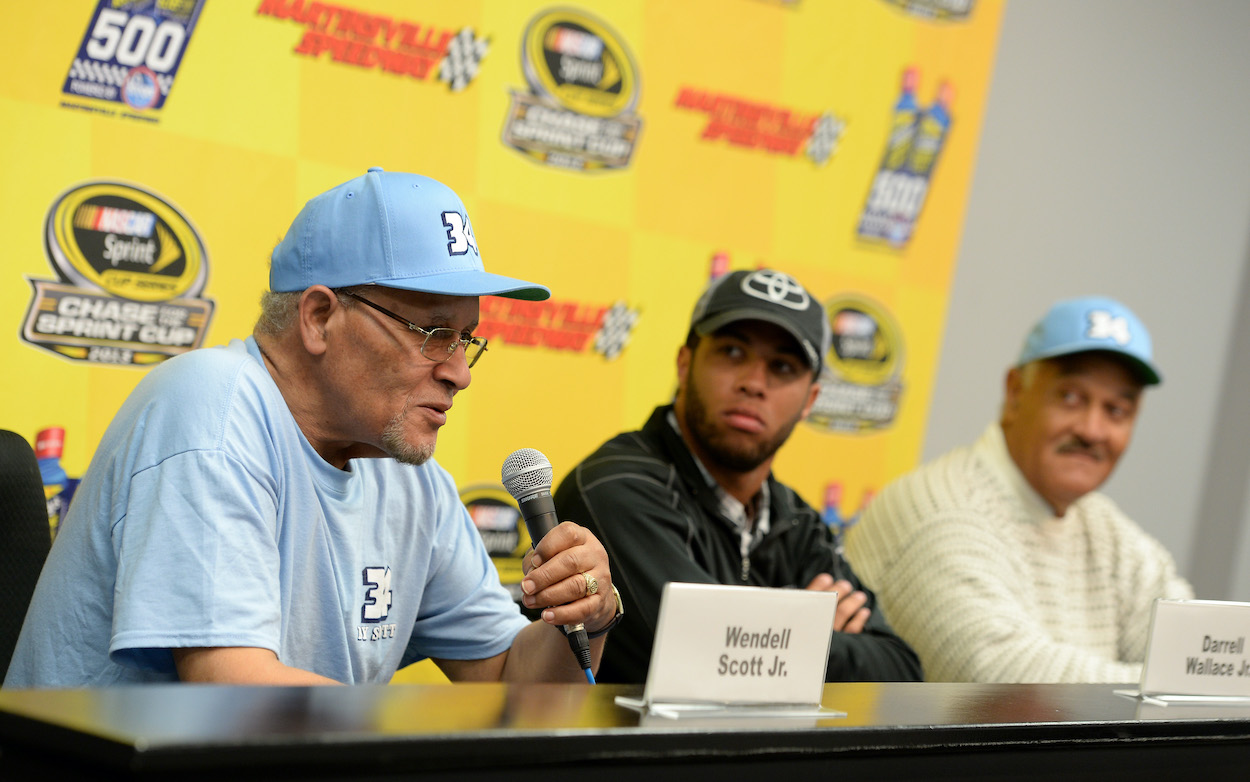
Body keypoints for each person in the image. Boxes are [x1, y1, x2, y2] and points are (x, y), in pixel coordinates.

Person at [4, 168, 621, 687]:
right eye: (434, 335)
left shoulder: (410, 477)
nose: (460, 373)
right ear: (320, 317)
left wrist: (586, 620)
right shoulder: (212, 405)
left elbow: (509, 682)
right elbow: (229, 685)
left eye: (467, 340)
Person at [554, 269, 923, 684]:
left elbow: (900, 670)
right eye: (732, 352)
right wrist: (806, 626)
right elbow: (703, 661)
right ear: (684, 363)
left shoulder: (795, 519)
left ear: (810, 400)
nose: (753, 383)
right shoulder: (616, 488)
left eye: (782, 367)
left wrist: (766, 636)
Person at [844, 296, 1194, 683]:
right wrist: (1180, 684)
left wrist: (1199, 678)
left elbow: (1199, 651)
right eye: (1071, 397)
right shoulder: (942, 510)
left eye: (1116, 411)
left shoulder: (1107, 530)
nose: (1092, 430)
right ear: (1015, 393)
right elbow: (1001, 683)